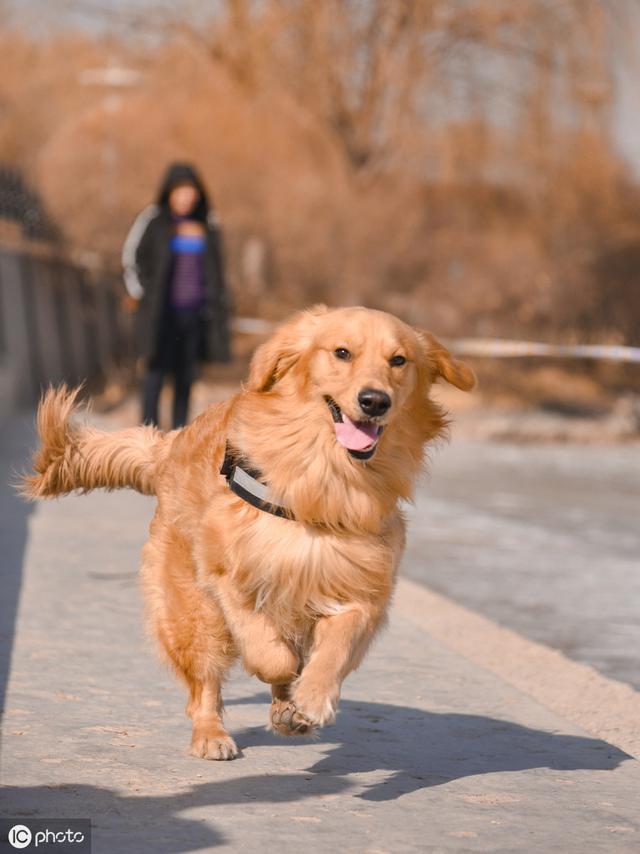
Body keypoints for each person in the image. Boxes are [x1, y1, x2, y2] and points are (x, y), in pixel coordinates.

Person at [122, 162, 231, 428]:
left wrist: (215, 310)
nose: (186, 197)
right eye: (180, 191)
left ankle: (179, 440)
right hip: (160, 317)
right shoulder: (153, 220)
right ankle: (147, 441)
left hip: (194, 318)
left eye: (190, 192)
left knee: (185, 382)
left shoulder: (208, 225)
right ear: (169, 192)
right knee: (154, 379)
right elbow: (130, 258)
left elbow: (217, 273)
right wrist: (143, 296)